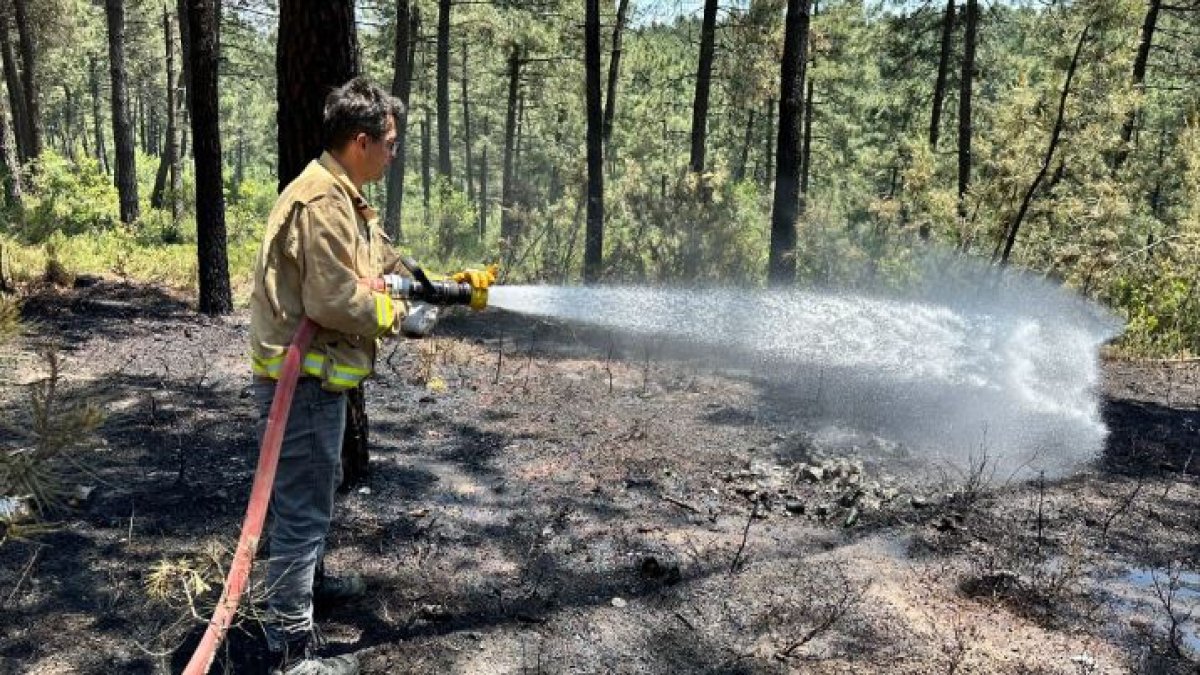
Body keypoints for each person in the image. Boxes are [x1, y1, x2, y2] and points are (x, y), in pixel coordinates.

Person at [248, 77, 453, 675]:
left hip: (315, 382)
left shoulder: (344, 195)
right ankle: (291, 647)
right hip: (302, 384)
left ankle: (303, 586)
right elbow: (334, 300)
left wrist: (435, 283)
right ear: (361, 142)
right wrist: (399, 317)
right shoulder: (323, 202)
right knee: (304, 507)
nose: (393, 154)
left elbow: (377, 258)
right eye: (389, 143)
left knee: (310, 497)